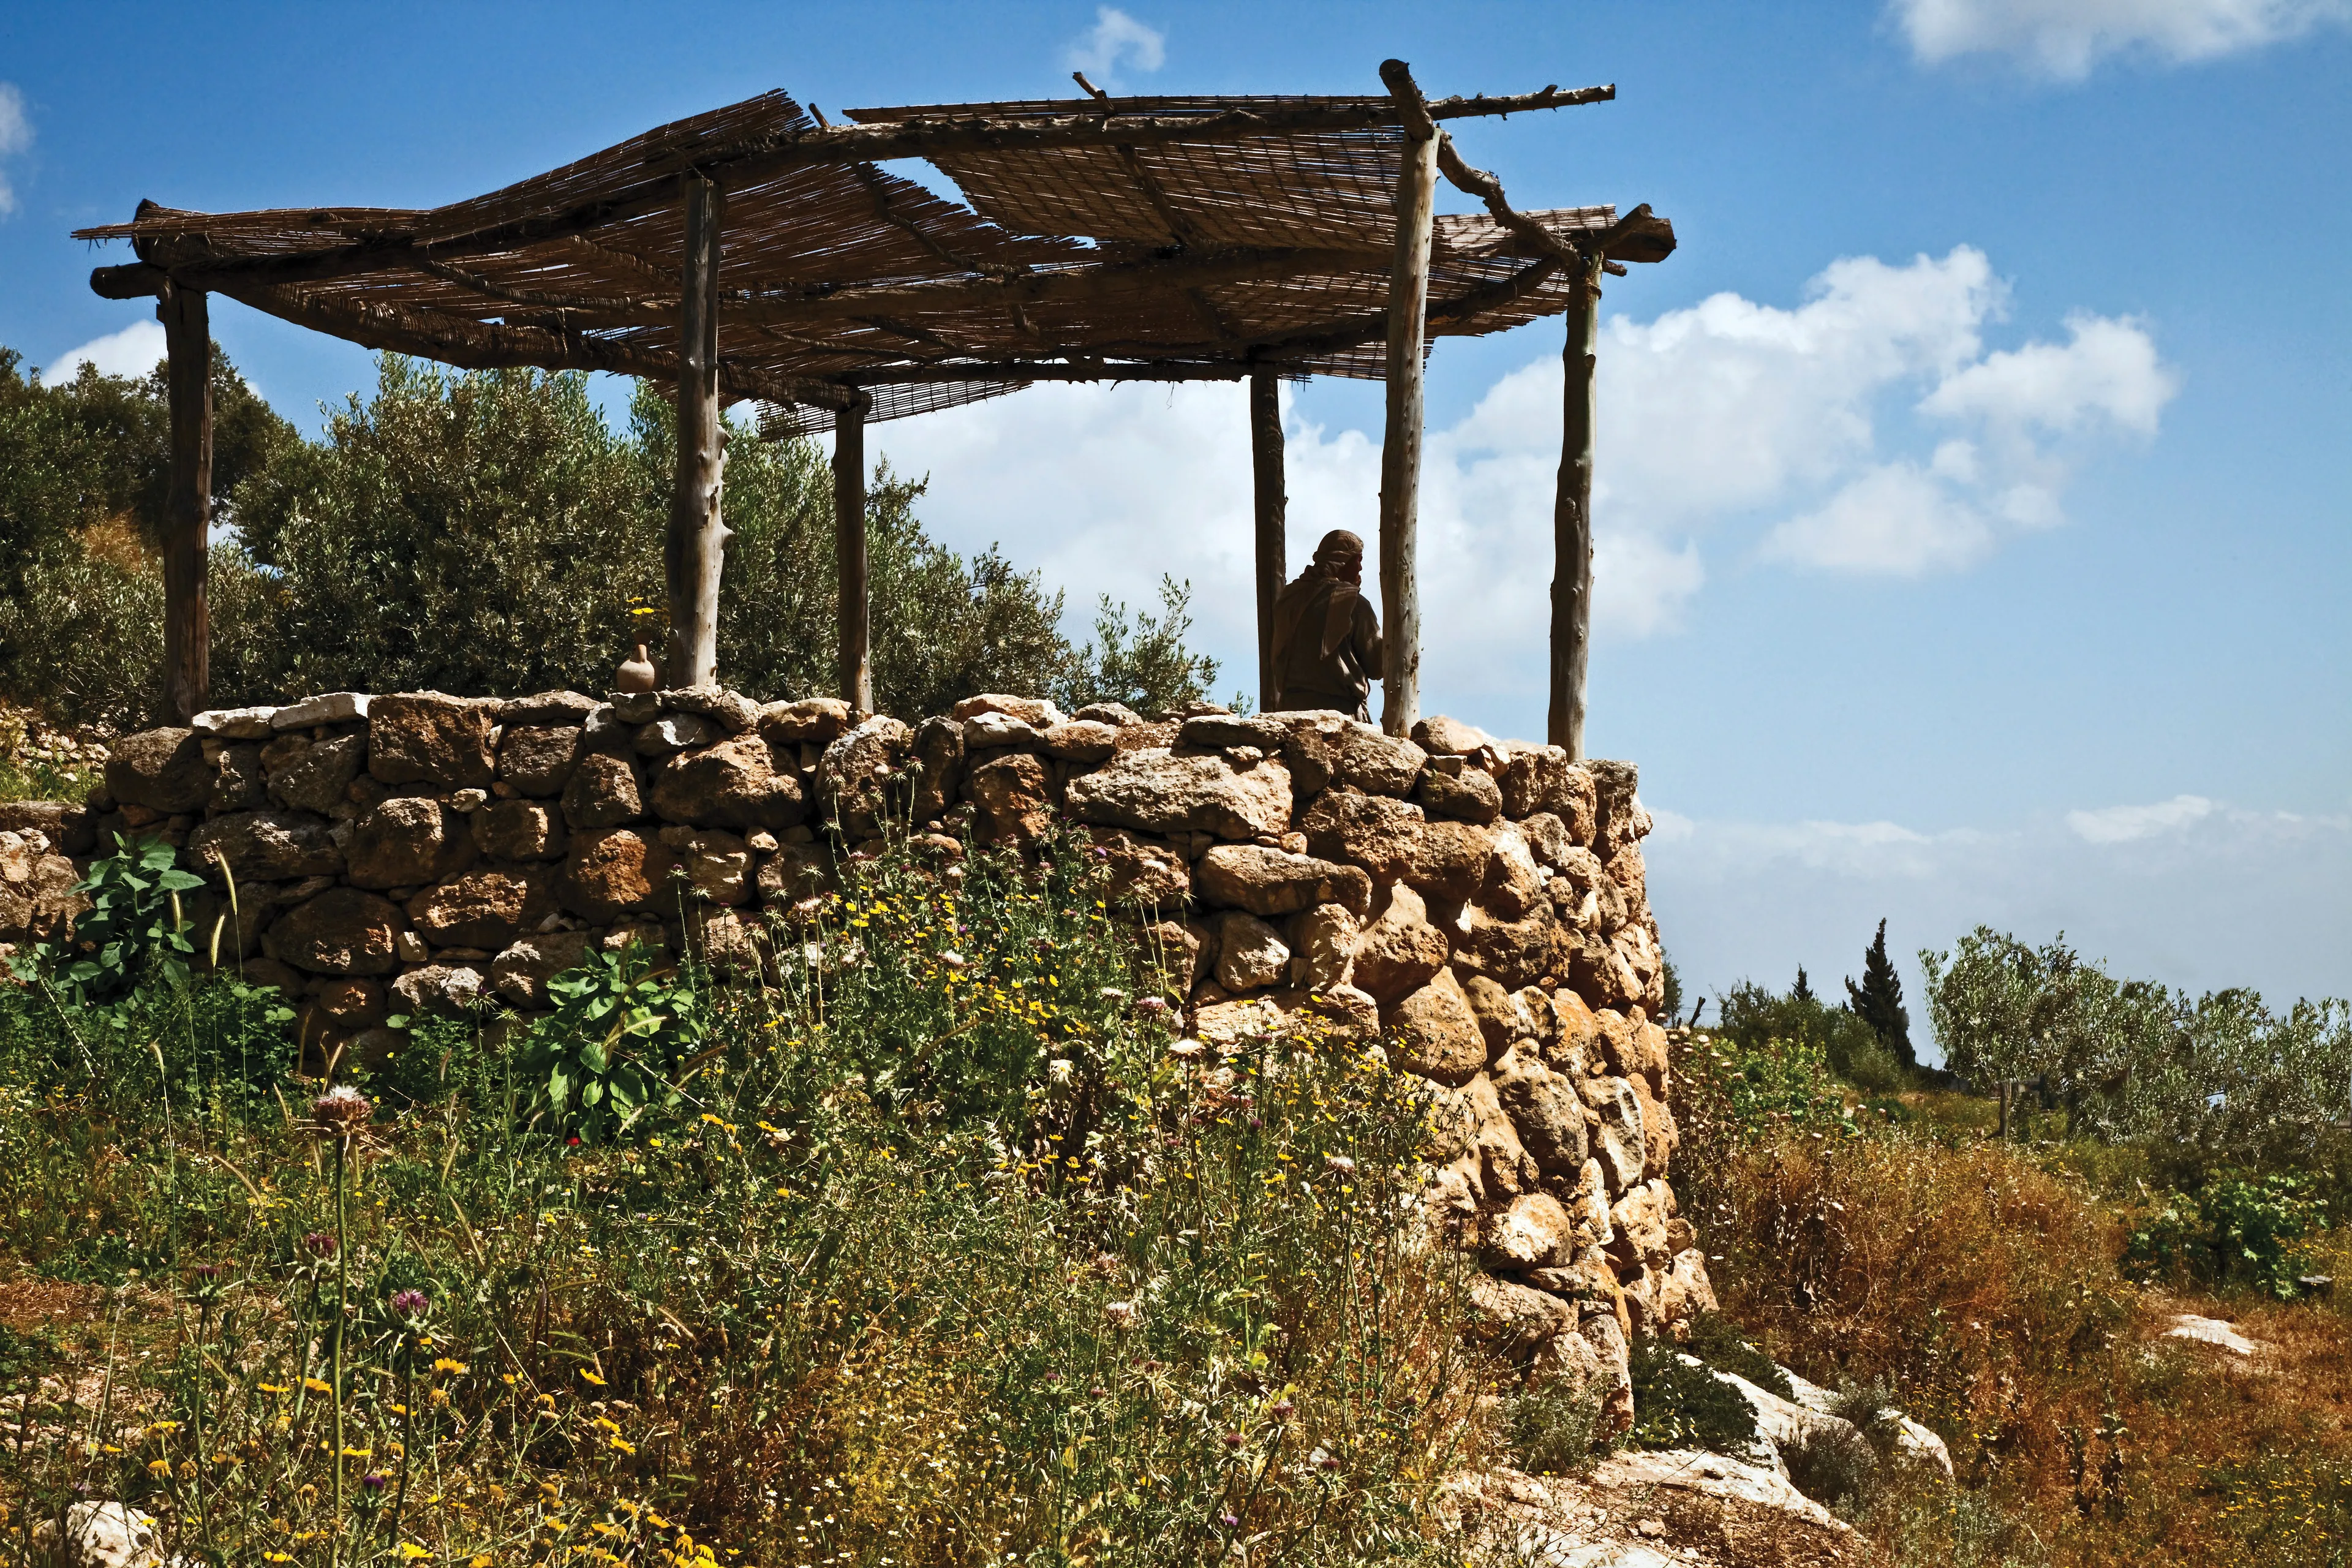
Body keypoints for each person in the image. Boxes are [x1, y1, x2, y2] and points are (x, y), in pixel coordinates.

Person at [1268, 529, 1384, 721]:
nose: (1361, 568)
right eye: (1358, 560)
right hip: (1339, 716)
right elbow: (1378, 666)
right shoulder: (1352, 602)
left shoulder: (1289, 597)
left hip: (1290, 712)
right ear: (1343, 561)